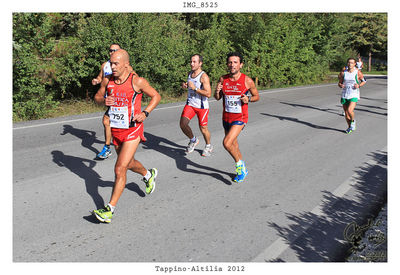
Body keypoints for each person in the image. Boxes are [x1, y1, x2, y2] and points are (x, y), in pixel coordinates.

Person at [92, 49, 161, 223]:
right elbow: (97, 97)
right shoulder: (109, 81)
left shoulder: (137, 81)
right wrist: (103, 101)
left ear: (125, 64)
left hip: (133, 130)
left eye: (116, 63)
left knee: (119, 168)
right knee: (128, 163)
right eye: (111, 63)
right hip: (116, 130)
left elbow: (156, 96)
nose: (112, 67)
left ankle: (109, 209)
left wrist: (145, 113)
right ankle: (148, 175)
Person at [214, 52, 259, 183]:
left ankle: (240, 166)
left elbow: (257, 96)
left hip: (240, 118)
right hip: (226, 118)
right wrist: (217, 91)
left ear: (241, 65)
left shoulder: (247, 80)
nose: (232, 65)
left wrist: (248, 99)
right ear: (227, 64)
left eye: (235, 62)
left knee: (226, 143)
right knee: (234, 145)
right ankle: (242, 168)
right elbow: (217, 98)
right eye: (230, 62)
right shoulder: (223, 79)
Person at [92, 43, 136, 160]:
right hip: (109, 98)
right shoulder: (105, 65)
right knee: (107, 122)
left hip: (121, 99)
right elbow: (101, 78)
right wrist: (97, 80)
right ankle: (112, 146)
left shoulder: (125, 65)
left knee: (108, 121)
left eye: (115, 50)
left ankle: (115, 145)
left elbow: (134, 80)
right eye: (110, 50)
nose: (112, 52)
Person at [180, 54, 213, 156]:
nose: (191, 64)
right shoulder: (190, 73)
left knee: (203, 128)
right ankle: (193, 140)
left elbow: (208, 93)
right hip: (190, 104)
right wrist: (185, 86)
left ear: (200, 63)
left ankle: (208, 145)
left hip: (201, 107)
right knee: (183, 124)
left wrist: (194, 88)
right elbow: (190, 85)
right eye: (191, 61)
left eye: (194, 62)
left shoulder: (204, 77)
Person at [338, 57, 366, 134]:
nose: (350, 64)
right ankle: (349, 127)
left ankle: (353, 121)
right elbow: (339, 83)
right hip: (345, 93)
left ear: (354, 64)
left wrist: (359, 85)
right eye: (349, 62)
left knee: (350, 110)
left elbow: (364, 81)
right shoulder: (343, 73)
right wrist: (341, 85)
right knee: (346, 114)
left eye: (352, 63)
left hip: (354, 93)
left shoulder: (357, 72)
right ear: (347, 63)